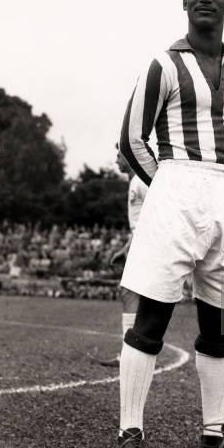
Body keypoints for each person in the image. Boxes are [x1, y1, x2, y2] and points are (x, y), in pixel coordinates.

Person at [116, 0, 224, 448]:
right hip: (174, 187)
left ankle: (214, 433)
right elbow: (132, 139)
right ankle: (129, 434)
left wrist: (214, 185)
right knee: (152, 316)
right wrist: (167, 189)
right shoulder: (163, 65)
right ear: (183, 1)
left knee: (219, 324)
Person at [97, 145, 148, 367]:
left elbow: (153, 213)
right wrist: (126, 246)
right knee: (133, 295)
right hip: (139, 244)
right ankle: (133, 354)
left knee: (129, 294)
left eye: (119, 155)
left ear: (129, 158)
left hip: (145, 245)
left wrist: (135, 245)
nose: (116, 159)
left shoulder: (140, 182)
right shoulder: (135, 182)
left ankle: (130, 356)